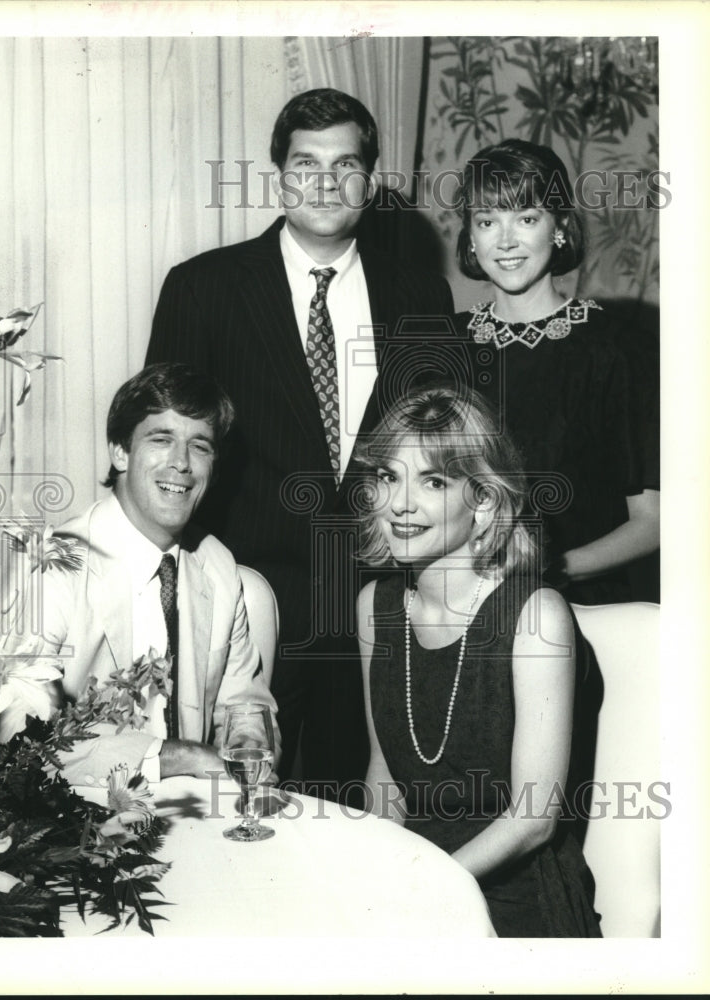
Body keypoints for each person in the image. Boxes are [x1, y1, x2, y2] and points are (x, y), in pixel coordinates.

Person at [146, 88, 456, 801]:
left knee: (360, 813)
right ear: (279, 176)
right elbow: (168, 449)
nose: (324, 183)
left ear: (370, 184)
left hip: (379, 604)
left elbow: (437, 457)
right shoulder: (203, 288)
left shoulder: (422, 296)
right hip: (247, 604)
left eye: (344, 165)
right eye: (304, 164)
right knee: (237, 810)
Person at [356, 384, 602, 937]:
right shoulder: (375, 606)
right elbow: (385, 777)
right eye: (389, 476)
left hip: (512, 889)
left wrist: (427, 889)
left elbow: (534, 821)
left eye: (433, 481)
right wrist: (369, 879)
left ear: (485, 501)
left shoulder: (538, 616)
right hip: (410, 871)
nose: (400, 503)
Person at [0, 363, 280, 786]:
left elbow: (245, 701)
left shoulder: (216, 563)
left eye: (199, 446)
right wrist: (178, 757)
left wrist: (249, 741)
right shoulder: (52, 566)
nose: (181, 463)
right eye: (161, 440)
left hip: (195, 808)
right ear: (120, 451)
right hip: (80, 813)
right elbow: (20, 733)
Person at [454, 138, 659, 604]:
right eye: (487, 221)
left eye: (527, 218)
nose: (505, 241)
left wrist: (550, 570)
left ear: (560, 227)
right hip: (459, 611)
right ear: (470, 236)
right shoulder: (442, 346)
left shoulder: (617, 350)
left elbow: (656, 520)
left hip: (578, 611)